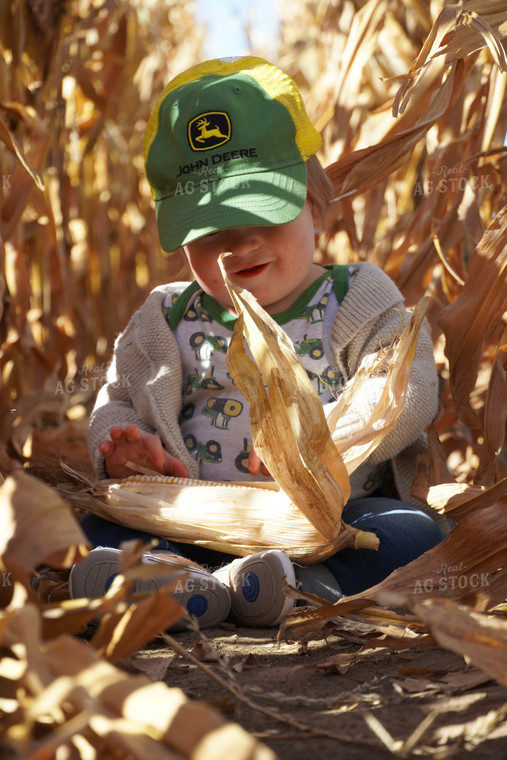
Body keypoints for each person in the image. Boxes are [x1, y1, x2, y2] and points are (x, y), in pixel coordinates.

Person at [70, 56, 445, 629]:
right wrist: (125, 450)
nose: (239, 244)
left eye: (260, 214)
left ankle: (298, 584)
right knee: (96, 525)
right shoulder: (164, 317)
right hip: (196, 520)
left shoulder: (355, 297)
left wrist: (323, 447)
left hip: (328, 521)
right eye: (210, 229)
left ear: (313, 204)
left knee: (409, 532)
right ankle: (191, 583)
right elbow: (116, 400)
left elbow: (408, 391)